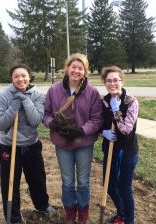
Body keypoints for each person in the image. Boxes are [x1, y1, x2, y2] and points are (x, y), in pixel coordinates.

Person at [43, 53, 103, 224]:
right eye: (73, 67)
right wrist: (52, 124)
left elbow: (97, 118)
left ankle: (83, 213)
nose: (76, 71)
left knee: (83, 181)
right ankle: (70, 212)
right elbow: (46, 113)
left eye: (80, 68)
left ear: (85, 71)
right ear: (67, 68)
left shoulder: (92, 92)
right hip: (62, 144)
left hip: (83, 143)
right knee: (68, 181)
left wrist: (81, 131)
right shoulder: (54, 90)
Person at [0, 64, 55, 224]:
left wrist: (25, 101)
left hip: (31, 145)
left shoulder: (36, 95)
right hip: (8, 146)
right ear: (11, 78)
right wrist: (13, 108)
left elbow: (35, 121)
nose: (20, 79)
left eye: (23, 75)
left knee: (37, 179)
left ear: (29, 76)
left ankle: (42, 205)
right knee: (9, 183)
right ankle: (13, 218)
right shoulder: (4, 96)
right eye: (16, 76)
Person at [100, 66, 139, 224]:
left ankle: (129, 221)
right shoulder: (103, 101)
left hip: (127, 152)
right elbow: (98, 124)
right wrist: (103, 132)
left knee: (124, 188)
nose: (112, 83)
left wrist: (116, 111)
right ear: (105, 83)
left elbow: (125, 130)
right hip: (110, 150)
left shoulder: (131, 102)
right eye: (108, 80)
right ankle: (121, 214)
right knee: (109, 187)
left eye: (115, 80)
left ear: (122, 81)